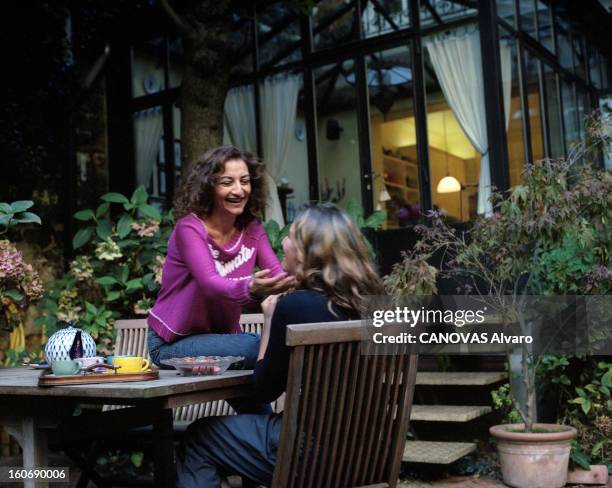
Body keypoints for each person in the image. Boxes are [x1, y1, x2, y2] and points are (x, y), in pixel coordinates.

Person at [176, 203, 385, 488]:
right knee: (250, 433)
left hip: (308, 454)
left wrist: (270, 320)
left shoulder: (296, 306)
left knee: (200, 436)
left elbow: (264, 389)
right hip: (368, 452)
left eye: (291, 235)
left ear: (308, 251)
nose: (283, 242)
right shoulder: (372, 309)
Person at [147, 145, 295, 374]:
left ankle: (274, 410)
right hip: (171, 343)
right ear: (209, 187)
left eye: (244, 181)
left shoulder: (252, 228)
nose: (239, 190)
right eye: (227, 182)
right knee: (258, 345)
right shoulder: (190, 229)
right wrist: (252, 287)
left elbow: (277, 275)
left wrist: (309, 277)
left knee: (265, 369)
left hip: (221, 340)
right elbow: (211, 284)